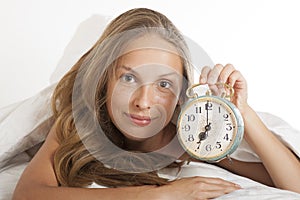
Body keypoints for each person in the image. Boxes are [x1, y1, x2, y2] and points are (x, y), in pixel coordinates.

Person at [12, 8, 300, 200]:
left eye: (164, 85)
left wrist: (244, 112)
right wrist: (156, 195)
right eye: (128, 78)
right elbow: (28, 193)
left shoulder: (188, 135)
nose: (144, 102)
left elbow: (293, 186)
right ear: (104, 80)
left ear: (179, 94)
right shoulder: (82, 121)